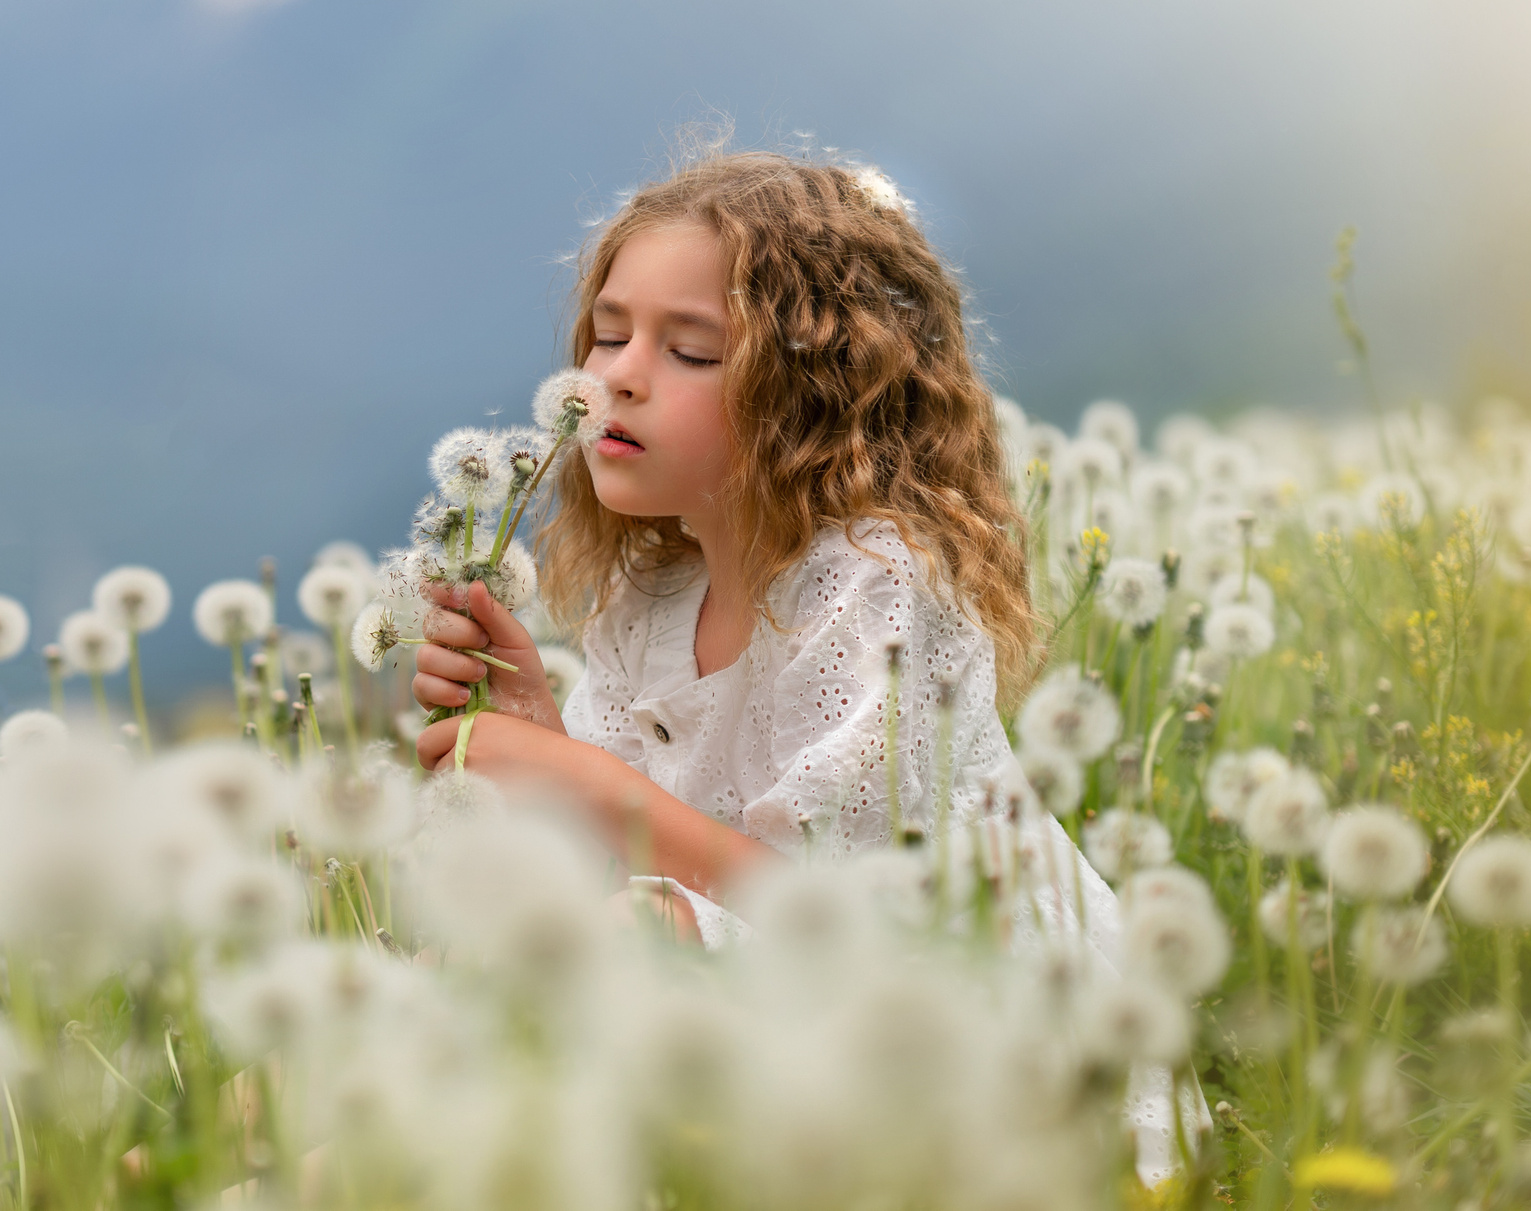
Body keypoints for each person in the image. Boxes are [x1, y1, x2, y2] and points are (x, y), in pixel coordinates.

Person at [408, 145, 1195, 1174]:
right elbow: (630, 855)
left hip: (969, 1044)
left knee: (614, 939)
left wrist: (581, 780)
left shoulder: (879, 584)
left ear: (815, 397)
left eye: (689, 353)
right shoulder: (654, 599)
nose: (616, 380)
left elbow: (819, 913)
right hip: (762, 1015)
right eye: (605, 338)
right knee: (462, 962)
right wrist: (539, 735)